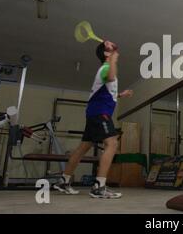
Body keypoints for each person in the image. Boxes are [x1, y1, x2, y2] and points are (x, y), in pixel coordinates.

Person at [54, 40, 133, 198]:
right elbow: (110, 76)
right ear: (106, 53)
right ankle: (99, 187)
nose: (113, 43)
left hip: (94, 112)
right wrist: (113, 59)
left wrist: (120, 95)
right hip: (100, 113)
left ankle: (64, 180)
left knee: (82, 148)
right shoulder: (106, 68)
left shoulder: (105, 68)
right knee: (112, 143)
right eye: (109, 44)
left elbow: (107, 92)